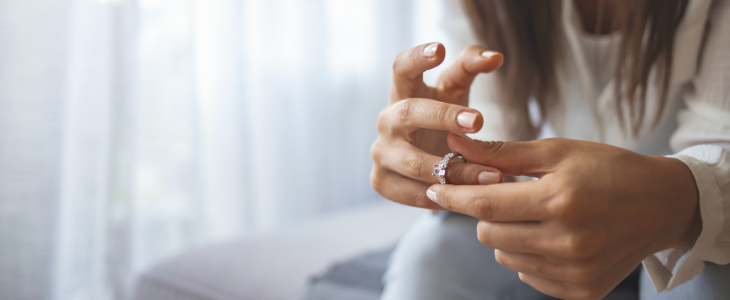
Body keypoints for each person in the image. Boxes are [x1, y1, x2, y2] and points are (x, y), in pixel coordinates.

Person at [370, 0, 730, 299]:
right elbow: (496, 121)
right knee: (428, 262)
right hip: (556, 201)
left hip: (677, 209)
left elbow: (719, 140)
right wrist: (453, 156)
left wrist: (682, 202)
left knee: (704, 283)